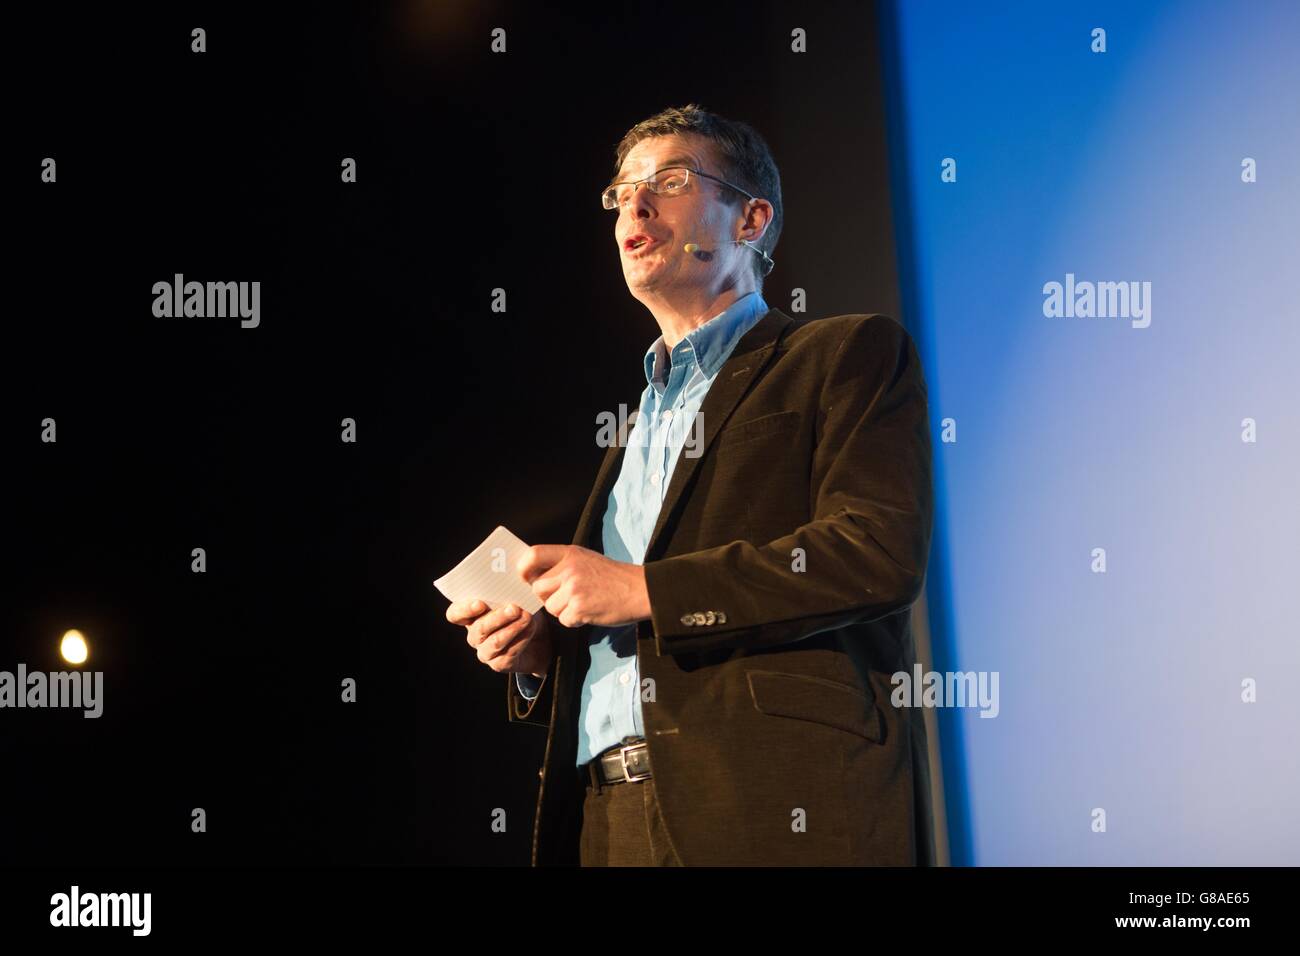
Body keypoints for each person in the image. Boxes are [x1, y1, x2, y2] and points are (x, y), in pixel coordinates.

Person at [446, 104, 934, 866]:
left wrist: (644, 591)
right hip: (606, 816)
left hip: (771, 806)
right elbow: (629, 623)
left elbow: (873, 554)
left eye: (668, 182)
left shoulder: (844, 354)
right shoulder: (634, 424)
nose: (632, 206)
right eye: (620, 192)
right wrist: (548, 650)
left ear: (751, 219)